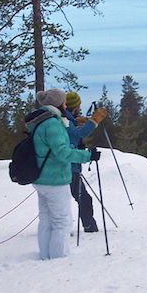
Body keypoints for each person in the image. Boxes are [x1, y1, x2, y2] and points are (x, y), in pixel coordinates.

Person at [25, 88, 98, 260]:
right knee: (61, 221)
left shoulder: (40, 120)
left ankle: (46, 254)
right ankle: (59, 259)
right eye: (64, 102)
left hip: (41, 177)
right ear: (60, 104)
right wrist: (88, 155)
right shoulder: (52, 124)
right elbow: (62, 152)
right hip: (55, 178)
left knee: (47, 219)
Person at [64, 91, 108, 233]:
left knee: (69, 198)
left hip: (68, 166)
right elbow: (78, 134)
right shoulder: (66, 120)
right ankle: (89, 226)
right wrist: (94, 121)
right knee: (83, 199)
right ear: (75, 106)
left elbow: (73, 130)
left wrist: (79, 121)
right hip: (69, 167)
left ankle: (61, 227)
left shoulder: (65, 118)